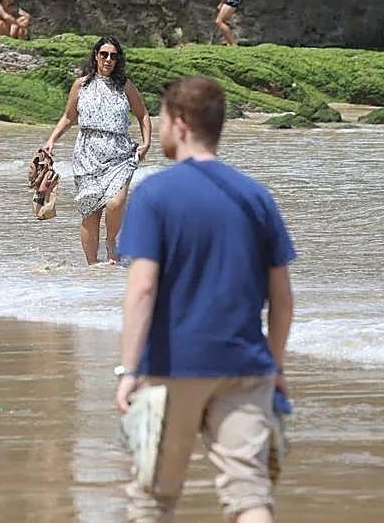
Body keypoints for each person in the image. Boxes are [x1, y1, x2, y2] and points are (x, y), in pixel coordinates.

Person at [114, 76, 296, 522]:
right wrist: (274, 366)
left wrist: (128, 369)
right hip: (245, 364)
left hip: (174, 365)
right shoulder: (256, 196)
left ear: (179, 122)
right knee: (249, 495)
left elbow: (142, 287)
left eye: (161, 118)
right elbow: (283, 299)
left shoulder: (154, 194)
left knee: (153, 498)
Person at [41, 36, 151, 264]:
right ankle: (92, 268)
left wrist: (147, 142)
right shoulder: (81, 85)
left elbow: (143, 114)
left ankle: (111, 242)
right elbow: (69, 117)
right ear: (96, 56)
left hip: (119, 153)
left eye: (113, 56)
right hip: (87, 154)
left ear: (118, 60)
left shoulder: (125, 86)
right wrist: (51, 140)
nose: (108, 59)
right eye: (104, 55)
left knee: (115, 202)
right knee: (90, 213)